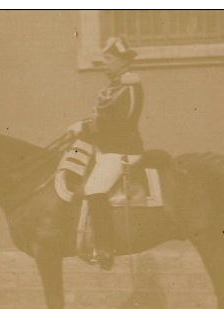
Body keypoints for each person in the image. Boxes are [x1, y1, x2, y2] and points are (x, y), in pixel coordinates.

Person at [65, 35, 144, 270]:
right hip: (105, 148)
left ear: (122, 61)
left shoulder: (130, 87)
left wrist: (85, 128)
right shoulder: (113, 87)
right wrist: (80, 129)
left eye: (109, 58)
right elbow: (100, 117)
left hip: (122, 150)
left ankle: (105, 248)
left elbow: (121, 122)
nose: (104, 63)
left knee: (94, 188)